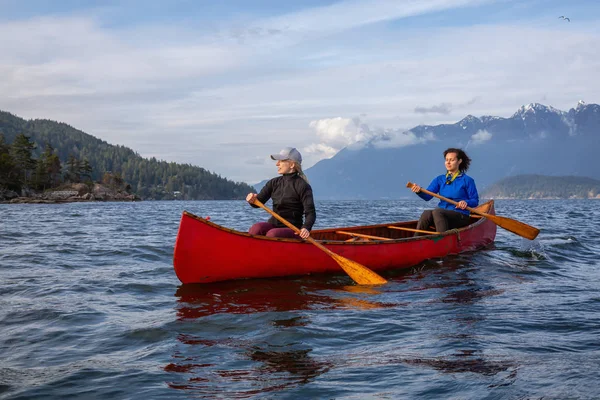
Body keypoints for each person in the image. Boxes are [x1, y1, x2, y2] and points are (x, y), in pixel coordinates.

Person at [246, 147, 316, 239]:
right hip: (273, 224)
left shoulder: (303, 186)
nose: (277, 164)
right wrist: (252, 199)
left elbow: (310, 213)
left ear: (291, 165)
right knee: (256, 228)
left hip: (293, 229)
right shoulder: (273, 183)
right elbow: (257, 203)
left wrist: (306, 228)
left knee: (272, 234)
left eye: (281, 161)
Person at [410, 148, 479, 234]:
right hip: (440, 215)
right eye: (446, 160)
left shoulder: (467, 180)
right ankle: (416, 239)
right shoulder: (439, 179)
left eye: (452, 160)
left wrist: (465, 202)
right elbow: (427, 196)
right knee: (426, 213)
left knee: (438, 211)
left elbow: (475, 201)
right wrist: (419, 191)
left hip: (460, 216)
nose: (448, 162)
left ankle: (443, 240)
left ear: (459, 161)